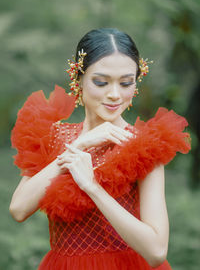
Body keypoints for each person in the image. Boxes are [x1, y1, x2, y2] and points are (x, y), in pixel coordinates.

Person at [10, 28, 191, 270]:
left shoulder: (144, 146)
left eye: (126, 82)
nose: (115, 94)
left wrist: (93, 188)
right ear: (78, 79)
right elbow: (19, 209)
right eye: (101, 82)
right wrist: (77, 146)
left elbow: (156, 250)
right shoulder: (54, 137)